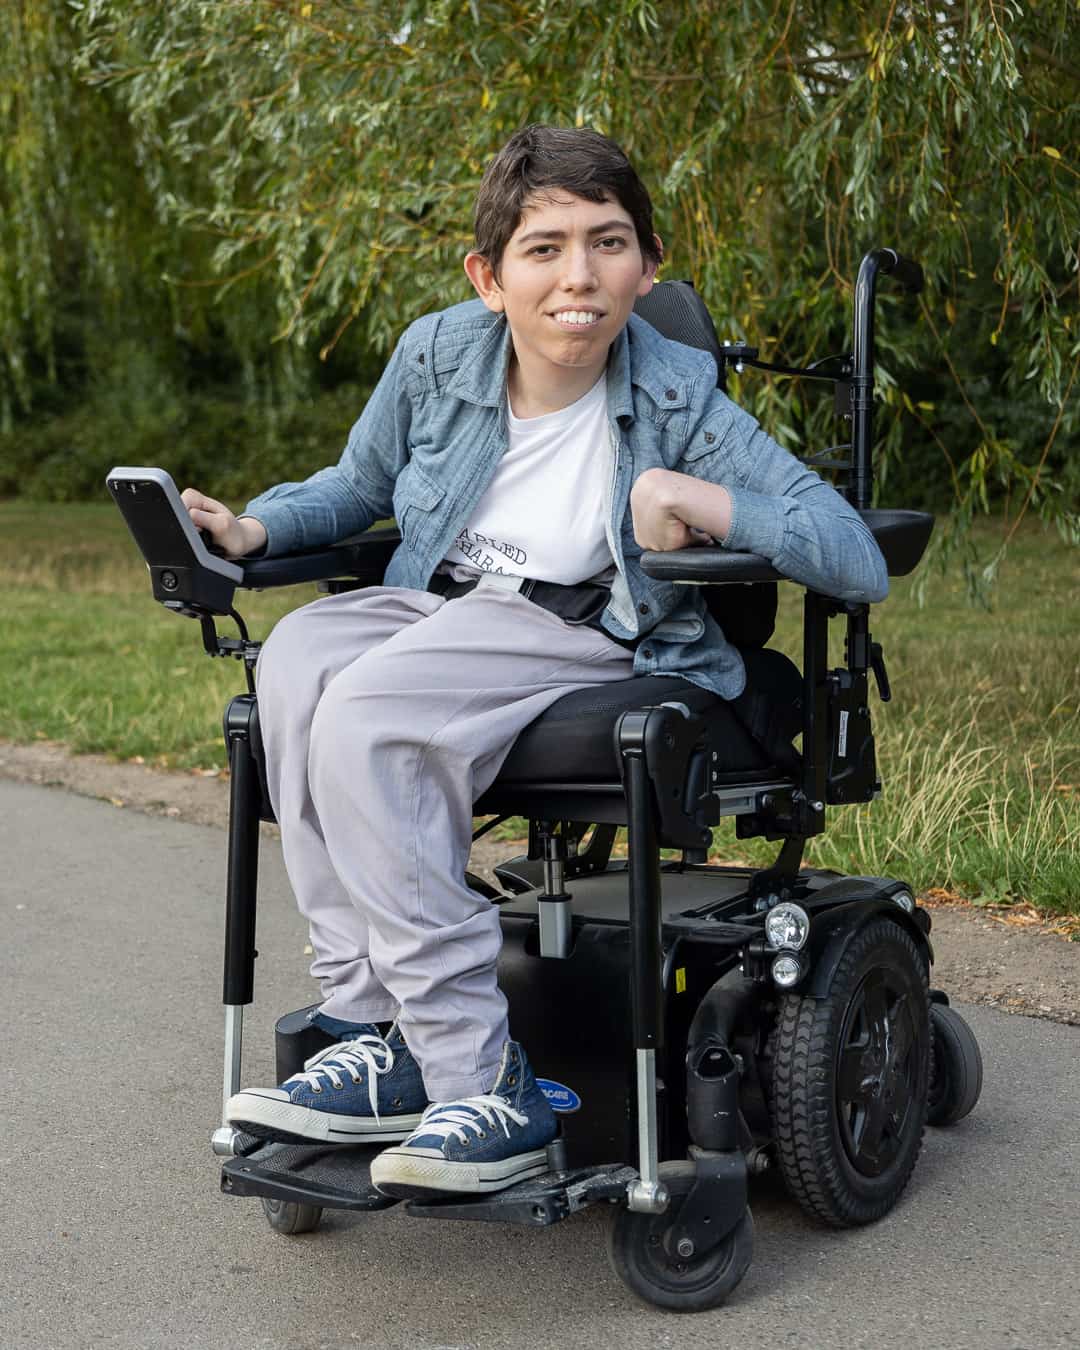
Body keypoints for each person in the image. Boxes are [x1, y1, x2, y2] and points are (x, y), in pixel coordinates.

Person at [181, 125, 888, 1200]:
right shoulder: (435, 354)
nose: (580, 277)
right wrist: (253, 531)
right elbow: (355, 484)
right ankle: (376, 1027)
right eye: (545, 247)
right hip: (437, 605)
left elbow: (853, 551)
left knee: (367, 708)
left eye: (608, 245)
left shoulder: (677, 394)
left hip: (578, 626)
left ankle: (480, 1073)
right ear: (489, 276)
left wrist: (695, 501)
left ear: (647, 267)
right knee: (295, 663)